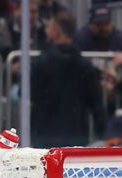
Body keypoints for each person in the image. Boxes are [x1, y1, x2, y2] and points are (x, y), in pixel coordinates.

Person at [30, 10, 106, 148]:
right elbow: (97, 105)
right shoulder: (85, 66)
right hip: (76, 139)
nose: (46, 30)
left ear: (56, 30)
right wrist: (102, 134)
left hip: (44, 138)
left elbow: (26, 93)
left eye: (49, 27)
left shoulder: (40, 63)